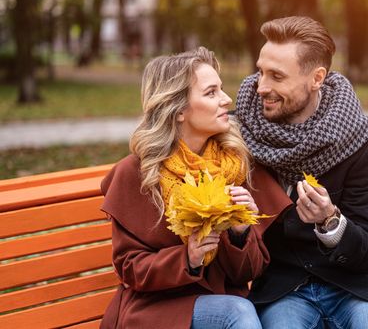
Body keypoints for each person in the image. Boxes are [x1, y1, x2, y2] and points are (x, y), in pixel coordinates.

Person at [100, 47, 291, 329]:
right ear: (178, 110)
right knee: (237, 312)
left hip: (224, 299)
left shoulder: (233, 164)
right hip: (157, 308)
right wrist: (188, 257)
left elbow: (248, 273)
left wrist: (240, 233)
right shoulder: (140, 172)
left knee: (243, 310)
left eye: (221, 89)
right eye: (211, 92)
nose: (227, 100)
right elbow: (130, 269)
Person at [236, 16, 368, 328]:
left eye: (277, 76)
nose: (262, 87)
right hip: (283, 291)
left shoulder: (358, 140)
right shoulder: (242, 135)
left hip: (353, 287)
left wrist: (330, 221)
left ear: (316, 78)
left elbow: (366, 251)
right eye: (260, 72)